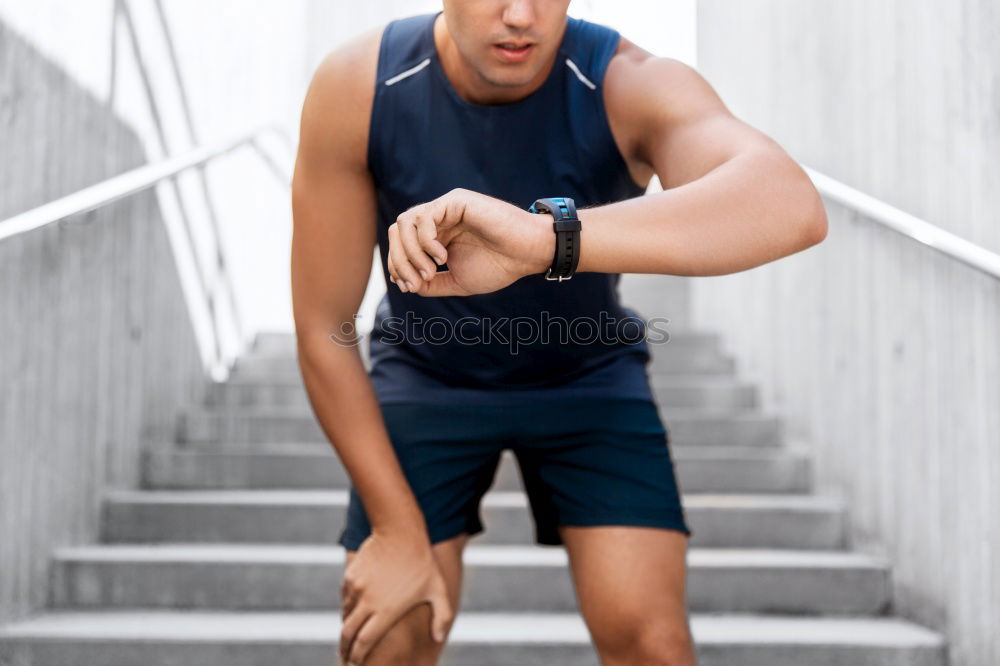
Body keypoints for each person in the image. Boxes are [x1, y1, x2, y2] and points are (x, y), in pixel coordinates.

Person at [291, 2, 828, 664]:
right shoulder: (359, 86)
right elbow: (324, 327)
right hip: (427, 373)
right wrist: (398, 530)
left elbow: (790, 204)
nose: (522, 15)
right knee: (390, 636)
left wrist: (544, 241)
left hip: (589, 375)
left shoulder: (625, 81)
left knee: (652, 644)